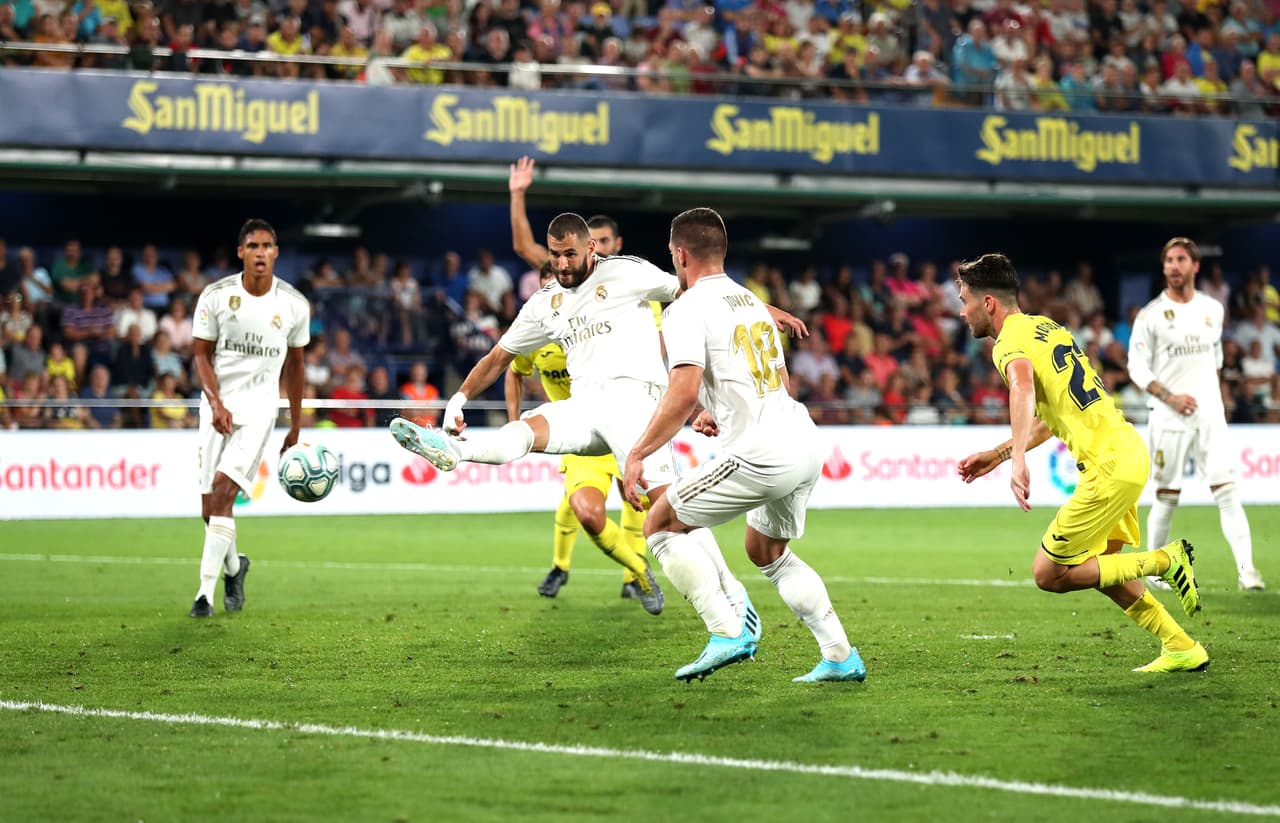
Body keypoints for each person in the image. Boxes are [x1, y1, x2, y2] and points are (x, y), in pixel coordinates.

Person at [623, 208, 864, 683]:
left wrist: (638, 453)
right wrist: (717, 410)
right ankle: (839, 654)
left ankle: (726, 630)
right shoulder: (751, 301)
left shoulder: (685, 309)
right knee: (767, 551)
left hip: (762, 453)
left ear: (679, 254)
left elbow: (683, 389)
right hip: (802, 437)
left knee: (660, 523)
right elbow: (766, 378)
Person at [954, 253, 1207, 673]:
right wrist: (999, 454)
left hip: (1108, 467)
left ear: (988, 303)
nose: (961, 312)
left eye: (964, 300)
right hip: (1126, 453)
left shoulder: (1008, 344)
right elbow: (1053, 417)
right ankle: (1180, 645)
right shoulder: (1048, 328)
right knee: (1103, 571)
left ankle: (1166, 559)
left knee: (1049, 574)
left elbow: (1020, 385)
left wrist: (1017, 459)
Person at [507, 157, 650, 601]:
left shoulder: (629, 288)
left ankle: (636, 577)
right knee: (577, 505)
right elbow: (509, 366)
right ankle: (562, 566)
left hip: (628, 414)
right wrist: (517, 194)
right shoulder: (552, 311)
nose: (597, 250)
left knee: (640, 502)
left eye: (604, 242)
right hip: (579, 421)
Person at [1127, 238, 1264, 592]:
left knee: (1227, 490)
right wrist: (1171, 397)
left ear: (1195, 266)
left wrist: (1210, 400)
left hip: (1209, 417)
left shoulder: (1212, 310)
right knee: (1166, 494)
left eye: (1181, 259)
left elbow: (1216, 361)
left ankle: (1248, 571)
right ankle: (1155, 570)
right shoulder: (1150, 316)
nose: (1174, 266)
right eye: (1169, 260)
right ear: (1164, 267)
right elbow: (1136, 367)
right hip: (1168, 417)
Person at [189, 219, 310, 618]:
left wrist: (294, 424)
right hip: (216, 407)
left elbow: (296, 367)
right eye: (253, 246)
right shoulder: (217, 295)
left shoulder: (293, 305)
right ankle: (236, 567)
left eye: (268, 246)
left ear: (276, 253)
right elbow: (201, 355)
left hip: (258, 411)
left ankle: (203, 596)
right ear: (240, 252)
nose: (261, 253)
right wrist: (216, 402)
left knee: (225, 493)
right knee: (210, 510)